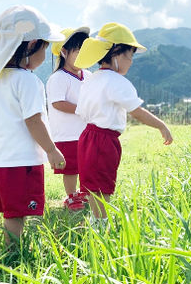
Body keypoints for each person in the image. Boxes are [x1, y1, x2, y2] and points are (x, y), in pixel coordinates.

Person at [0, 5, 66, 244]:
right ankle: (12, 255)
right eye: (45, 48)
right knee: (17, 214)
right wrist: (51, 149)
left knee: (11, 210)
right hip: (22, 160)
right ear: (31, 45)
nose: (45, 55)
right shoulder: (27, 81)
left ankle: (8, 247)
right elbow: (34, 119)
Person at [74, 22, 173, 226]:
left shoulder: (90, 80)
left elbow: (81, 111)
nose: (131, 62)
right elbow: (137, 111)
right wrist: (161, 125)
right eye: (130, 56)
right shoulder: (117, 82)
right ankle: (101, 225)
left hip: (86, 137)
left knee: (92, 184)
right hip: (104, 139)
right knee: (103, 185)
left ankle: (96, 220)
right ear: (116, 54)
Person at [46, 27, 91, 211]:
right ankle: (71, 196)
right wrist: (84, 110)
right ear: (64, 52)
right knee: (71, 168)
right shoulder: (58, 78)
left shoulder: (88, 76)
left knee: (88, 165)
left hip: (86, 132)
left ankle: (85, 193)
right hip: (67, 133)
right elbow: (58, 103)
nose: (82, 57)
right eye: (78, 52)